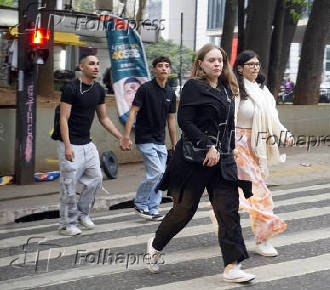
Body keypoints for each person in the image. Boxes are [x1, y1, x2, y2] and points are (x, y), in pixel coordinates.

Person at [145, 44, 255, 283]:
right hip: (194, 160)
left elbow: (228, 126)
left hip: (222, 160)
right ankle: (155, 246)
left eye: (220, 60)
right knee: (184, 211)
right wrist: (208, 145)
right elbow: (185, 121)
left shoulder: (227, 89)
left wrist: (231, 151)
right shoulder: (194, 87)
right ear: (201, 63)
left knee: (227, 211)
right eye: (212, 60)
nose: (217, 64)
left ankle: (233, 267)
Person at [232, 50, 292, 256]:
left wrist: (284, 134)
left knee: (235, 195)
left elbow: (272, 119)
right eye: (250, 64)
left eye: (257, 63)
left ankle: (225, 227)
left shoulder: (262, 90)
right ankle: (263, 239)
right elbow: (228, 119)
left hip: (257, 147)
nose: (255, 67)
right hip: (237, 147)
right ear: (239, 68)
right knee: (260, 193)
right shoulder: (235, 89)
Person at [58, 54, 126, 236]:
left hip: (87, 144)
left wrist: (120, 136)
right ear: (81, 67)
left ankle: (82, 214)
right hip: (70, 143)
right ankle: (67, 224)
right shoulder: (71, 89)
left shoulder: (99, 90)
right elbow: (63, 119)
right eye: (91, 63)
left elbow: (103, 118)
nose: (96, 66)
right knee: (69, 185)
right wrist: (67, 146)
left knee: (96, 179)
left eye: (97, 63)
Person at [120, 56, 177, 221]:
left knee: (161, 175)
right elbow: (133, 111)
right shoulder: (145, 89)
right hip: (145, 138)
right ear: (154, 69)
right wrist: (126, 136)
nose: (164, 69)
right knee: (156, 172)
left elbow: (171, 119)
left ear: (170, 70)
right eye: (160, 66)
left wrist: (174, 144)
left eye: (167, 66)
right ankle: (140, 203)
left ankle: (153, 208)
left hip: (160, 140)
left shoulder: (170, 92)